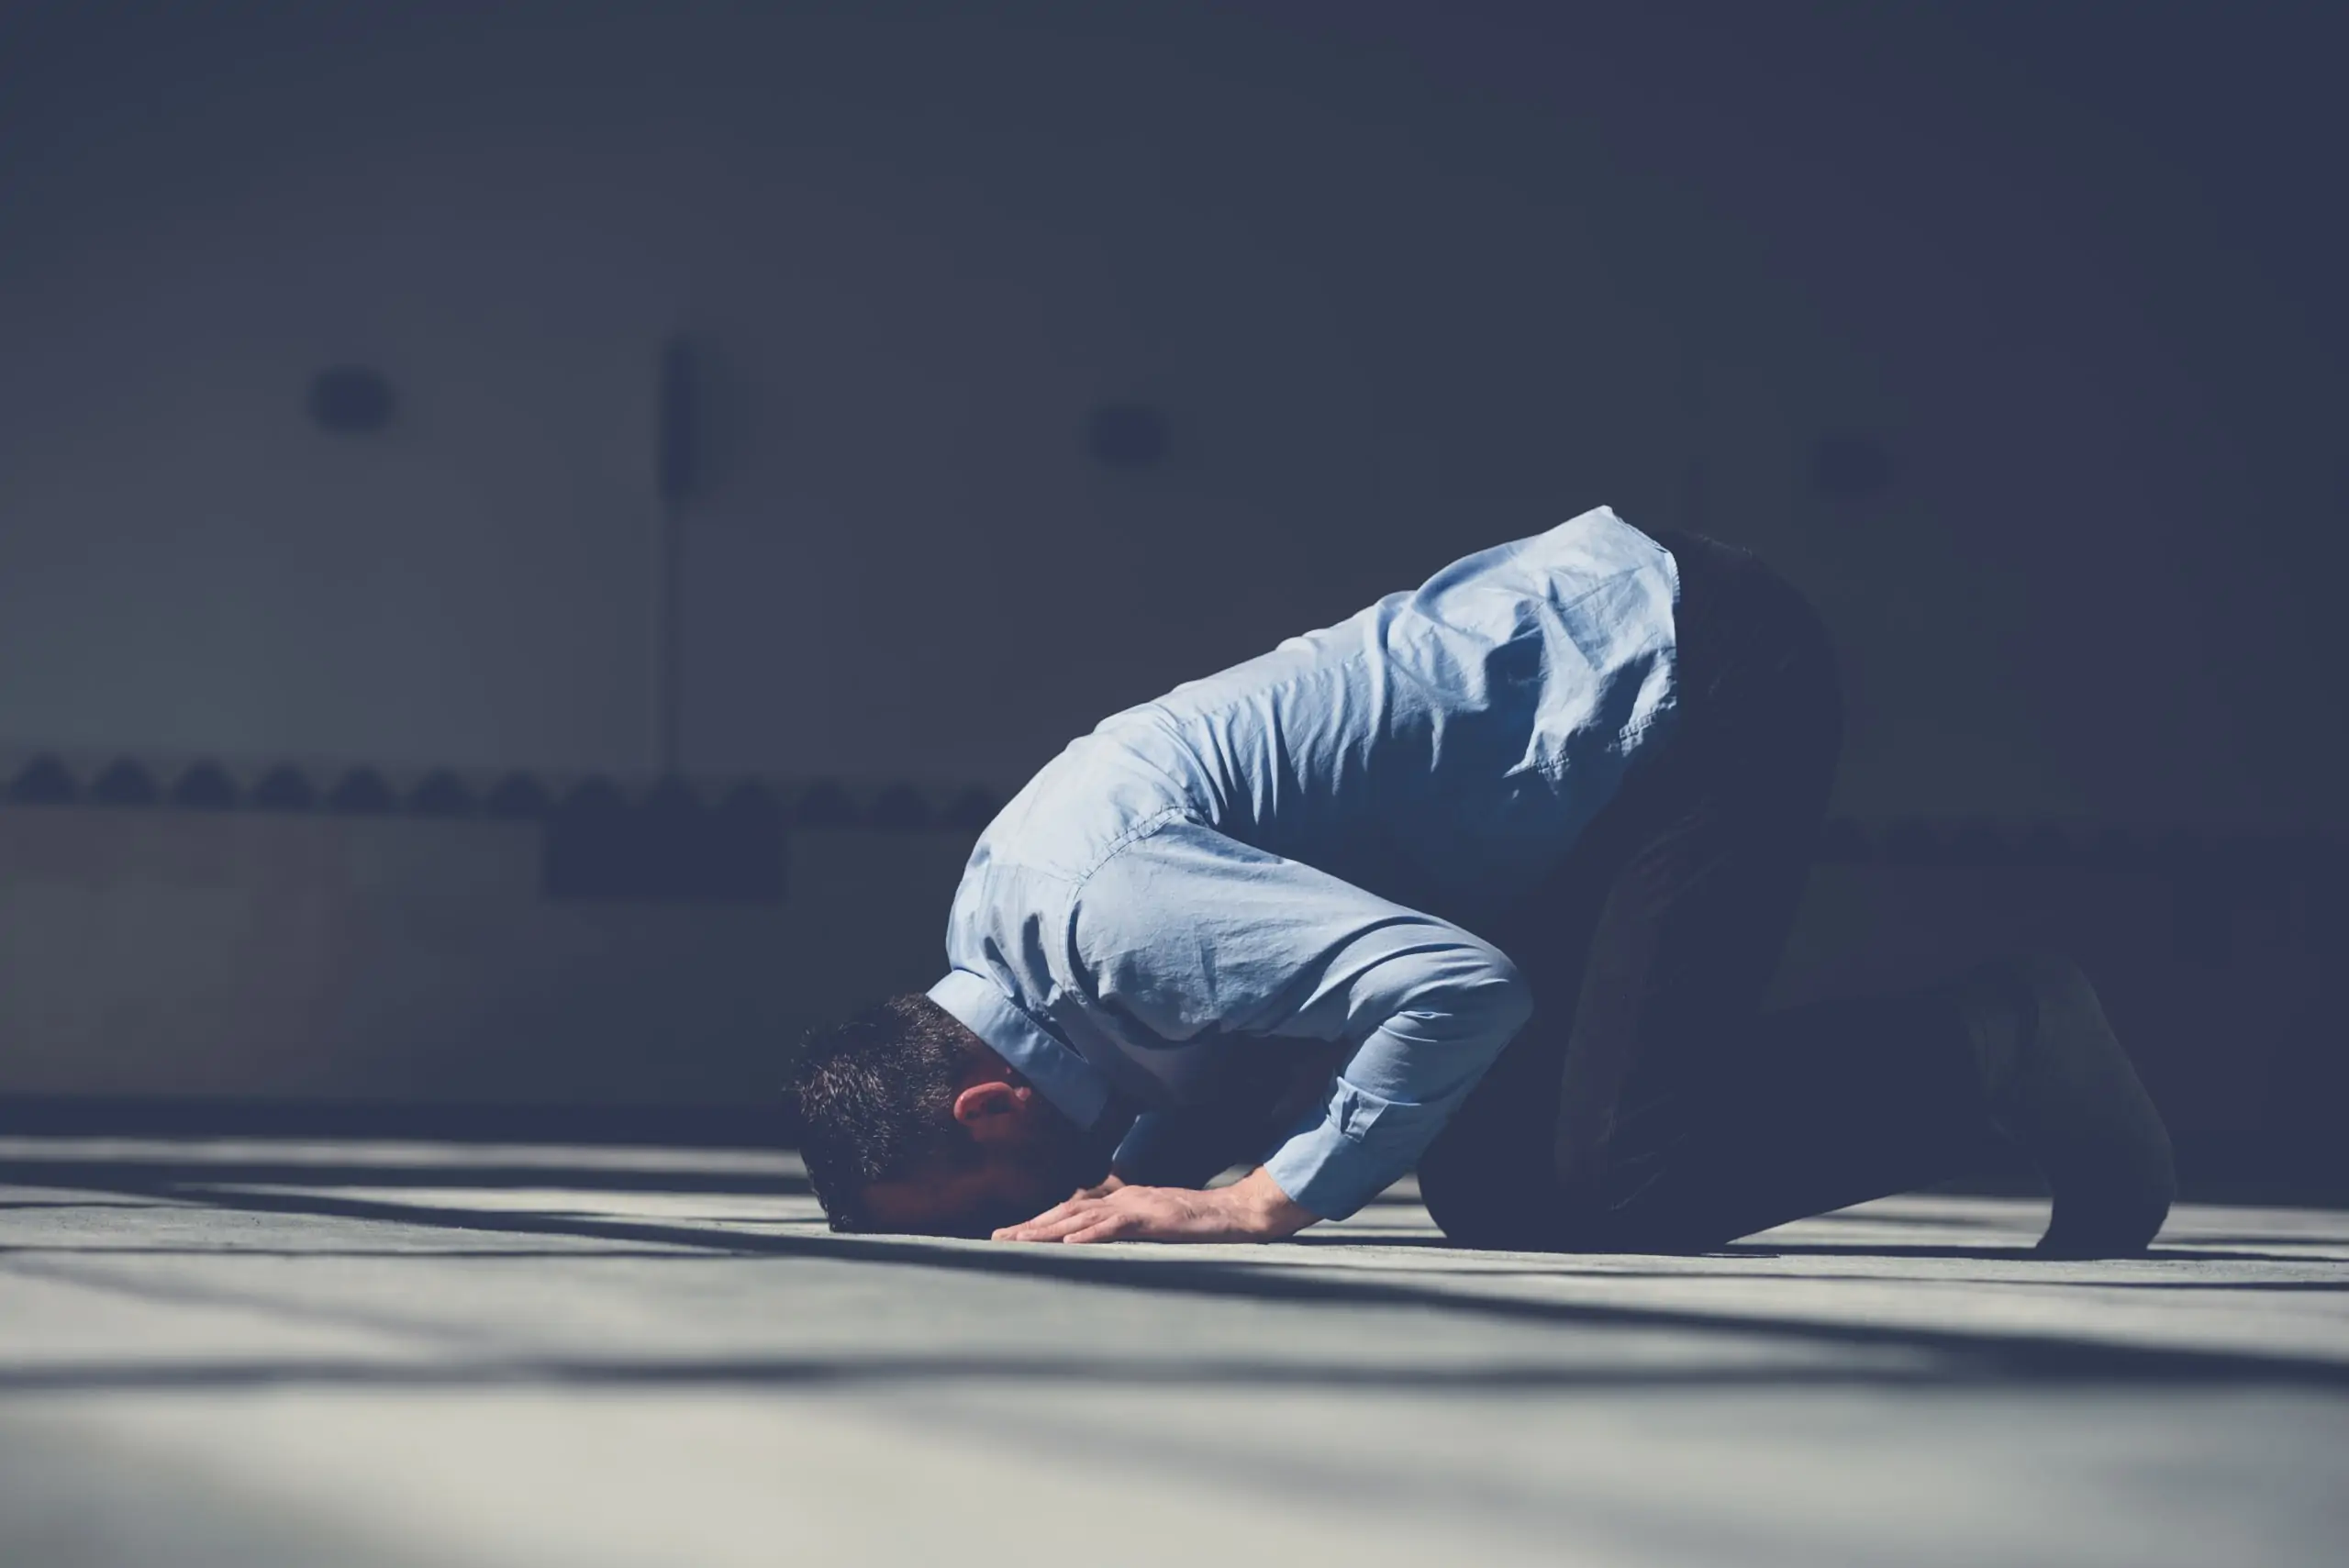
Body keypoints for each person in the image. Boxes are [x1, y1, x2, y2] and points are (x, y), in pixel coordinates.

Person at [789, 507, 2176, 1255]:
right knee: (1510, 1195)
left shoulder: (1106, 916)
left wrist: (1260, 1202)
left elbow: (1456, 988)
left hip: (1679, 683)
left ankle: (2002, 1044)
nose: (1015, 1230)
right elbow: (1215, 1075)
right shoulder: (1014, 941)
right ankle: (1978, 1066)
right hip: (1568, 756)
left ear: (986, 1098)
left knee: (1628, 1177)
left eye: (987, 1208)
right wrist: (1160, 1187)